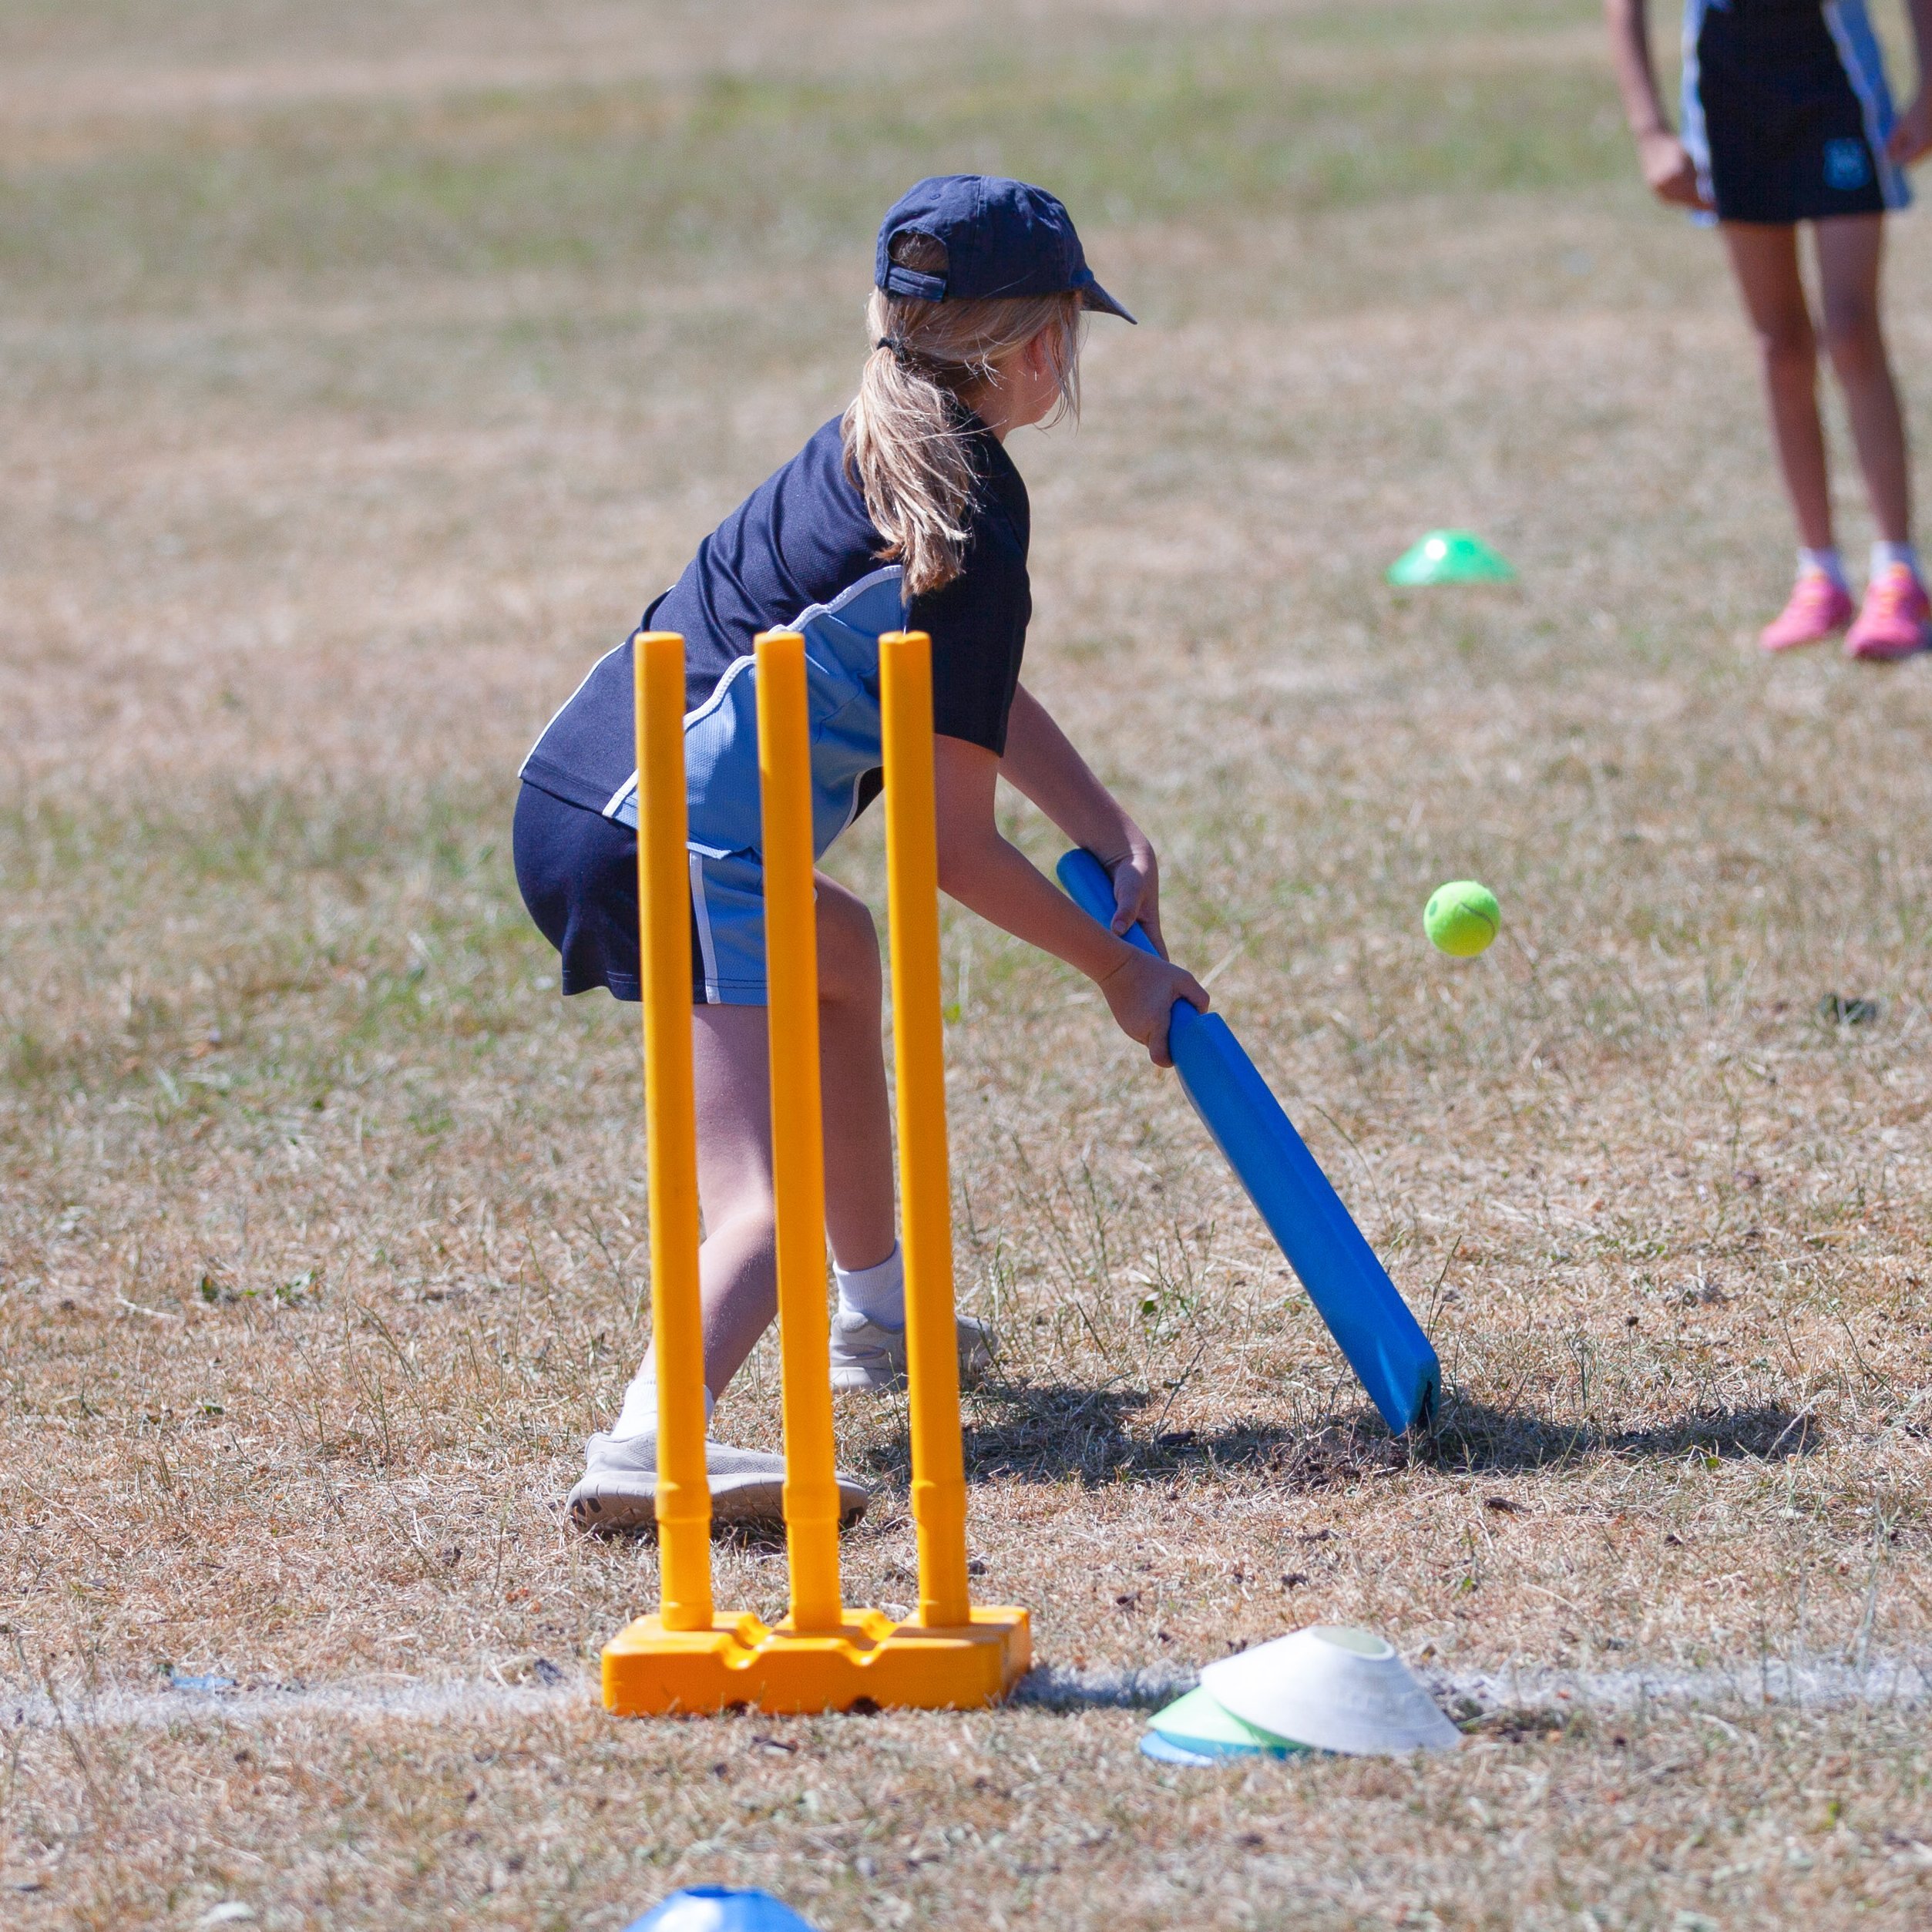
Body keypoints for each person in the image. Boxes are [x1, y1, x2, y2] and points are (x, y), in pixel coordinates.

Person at [513, 176, 1209, 1528]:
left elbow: (964, 689)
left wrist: (1105, 826)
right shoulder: (971, 508)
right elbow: (952, 849)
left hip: (579, 787)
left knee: (842, 954)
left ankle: (881, 1322)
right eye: (1069, 328)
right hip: (667, 837)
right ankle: (643, 1449)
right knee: (757, 1208)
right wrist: (1116, 973)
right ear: (1029, 350)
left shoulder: (877, 447)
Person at [1607, 0, 1932, 657]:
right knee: (1779, 344)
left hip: (1834, 89)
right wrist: (1650, 133)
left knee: (1848, 326)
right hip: (1729, 104)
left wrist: (1929, 88)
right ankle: (1818, 573)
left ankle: (1897, 572)